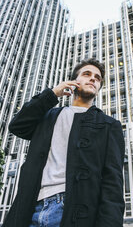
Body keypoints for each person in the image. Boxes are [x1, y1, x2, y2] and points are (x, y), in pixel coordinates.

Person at [3, 58, 125, 227]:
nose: (93, 79)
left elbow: (113, 181)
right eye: (87, 74)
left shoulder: (109, 125)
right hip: (30, 209)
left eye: (97, 78)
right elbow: (17, 126)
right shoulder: (48, 116)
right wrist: (53, 94)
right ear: (74, 81)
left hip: (73, 211)